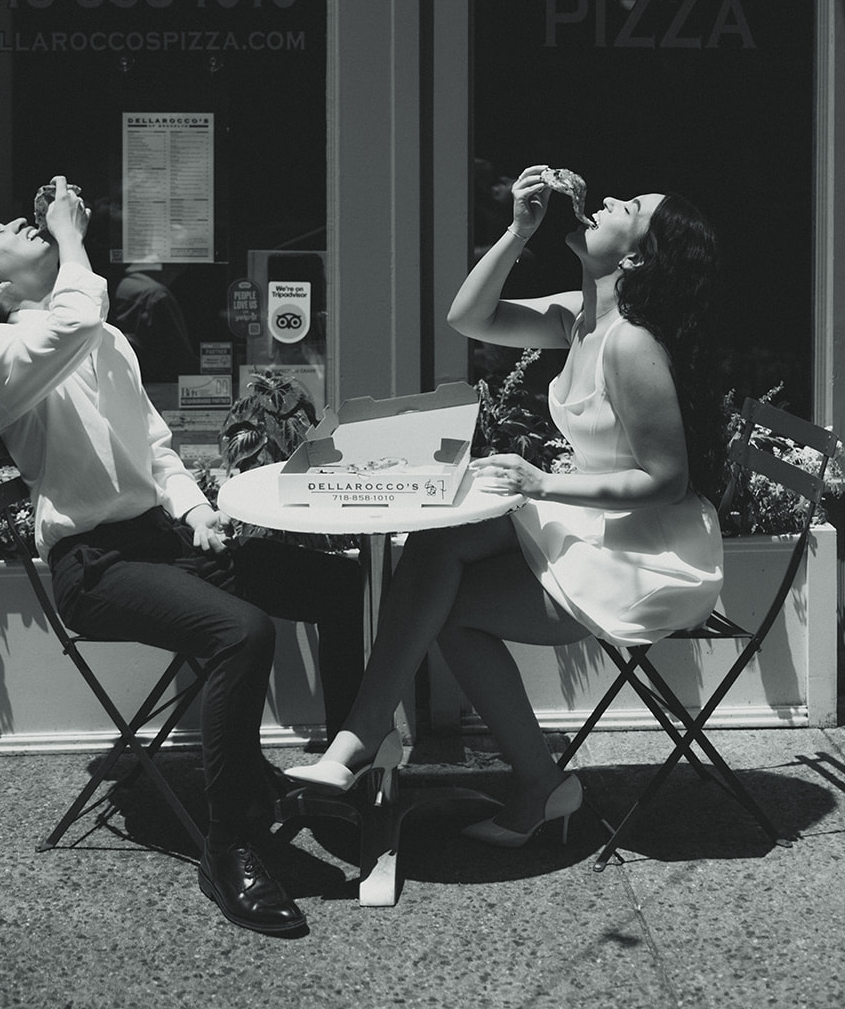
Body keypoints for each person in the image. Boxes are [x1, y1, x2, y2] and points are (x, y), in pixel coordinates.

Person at [0, 178, 363, 936]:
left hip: (161, 543)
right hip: (94, 566)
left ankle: (338, 774)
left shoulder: (103, 335)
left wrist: (195, 511)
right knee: (242, 631)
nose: (17, 221)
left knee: (335, 583)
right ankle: (230, 846)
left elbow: (154, 444)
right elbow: (67, 321)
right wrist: (69, 235)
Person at [285, 165, 724, 847]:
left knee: (448, 610)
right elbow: (470, 317)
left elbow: (665, 481)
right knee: (435, 548)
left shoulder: (630, 344)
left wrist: (541, 483)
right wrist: (519, 228)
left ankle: (519, 780)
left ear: (635, 256)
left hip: (642, 554)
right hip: (595, 519)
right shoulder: (580, 317)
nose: (606, 198)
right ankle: (365, 738)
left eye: (627, 206)